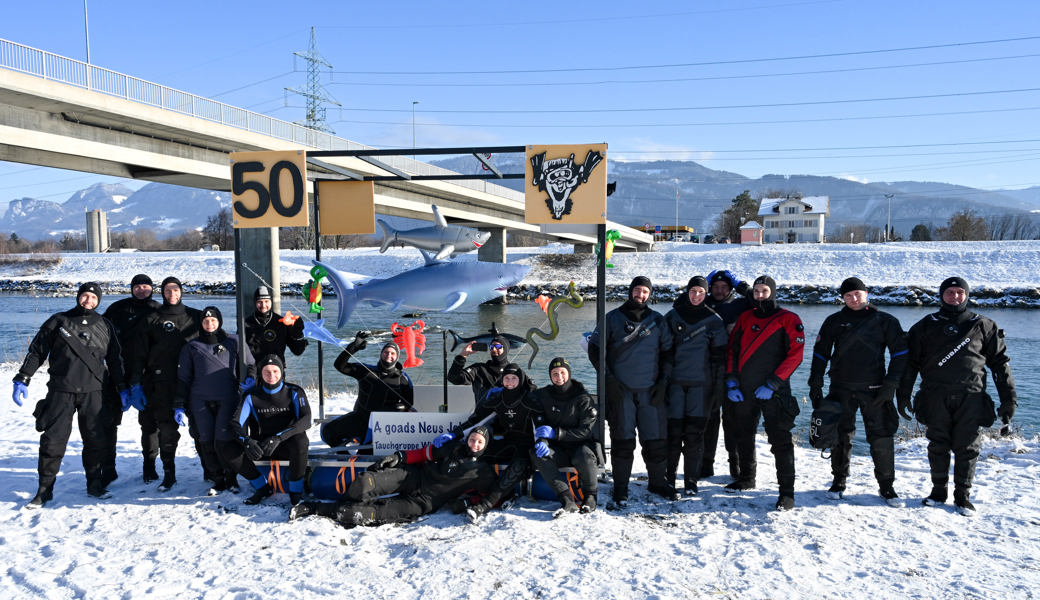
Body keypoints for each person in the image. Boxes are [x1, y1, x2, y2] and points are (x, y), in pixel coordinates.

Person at [897, 276, 1017, 515]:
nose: (955, 296)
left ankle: (962, 495)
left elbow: (1000, 365)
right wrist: (903, 394)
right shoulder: (925, 325)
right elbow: (910, 364)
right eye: (949, 292)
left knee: (968, 447)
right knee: (937, 445)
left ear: (967, 295)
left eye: (959, 292)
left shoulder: (983, 325)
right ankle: (938, 492)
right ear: (941, 295)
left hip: (971, 397)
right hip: (934, 395)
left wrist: (1008, 399)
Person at [11, 282, 128, 508]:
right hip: (60, 390)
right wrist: (23, 377)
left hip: (95, 391)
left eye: (93, 298)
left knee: (95, 441)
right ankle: (45, 489)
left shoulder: (105, 325)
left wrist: (122, 387)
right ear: (78, 297)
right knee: (52, 441)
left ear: (99, 301)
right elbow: (37, 351)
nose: (88, 301)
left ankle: (94, 484)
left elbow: (115, 360)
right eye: (85, 296)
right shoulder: (58, 321)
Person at [809, 277, 908, 506]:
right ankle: (839, 481)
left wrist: (891, 384)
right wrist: (815, 383)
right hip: (840, 388)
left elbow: (900, 354)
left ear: (866, 294)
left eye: (857, 294)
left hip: (875, 389)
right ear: (842, 298)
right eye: (848, 296)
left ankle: (887, 487)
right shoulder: (834, 321)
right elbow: (821, 352)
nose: (853, 299)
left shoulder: (885, 321)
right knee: (840, 436)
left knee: (881, 437)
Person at [289, 426, 497, 527]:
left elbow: (495, 495)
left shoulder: (483, 472)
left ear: (485, 446)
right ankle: (355, 497)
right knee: (362, 485)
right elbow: (424, 453)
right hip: (414, 476)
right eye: (472, 439)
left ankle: (314, 508)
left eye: (479, 442)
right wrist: (399, 457)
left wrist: (468, 502)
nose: (474, 445)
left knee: (364, 514)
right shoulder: (453, 447)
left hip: (424, 501)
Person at [588, 275, 675, 508]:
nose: (641, 295)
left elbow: (668, 353)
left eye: (645, 292)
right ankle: (621, 488)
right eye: (638, 290)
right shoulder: (612, 319)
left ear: (650, 294)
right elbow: (595, 350)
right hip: (621, 391)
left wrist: (663, 382)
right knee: (623, 442)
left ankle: (657, 482)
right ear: (630, 292)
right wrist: (608, 379)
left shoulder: (658, 320)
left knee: (655, 441)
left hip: (650, 392)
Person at [725, 275, 805, 511]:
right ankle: (747, 478)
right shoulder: (746, 317)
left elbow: (795, 355)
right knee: (743, 435)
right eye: (757, 291)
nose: (760, 295)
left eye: (764, 291)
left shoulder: (788, 319)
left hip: (775, 392)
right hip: (745, 389)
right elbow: (733, 350)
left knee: (781, 442)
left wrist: (772, 384)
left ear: (772, 292)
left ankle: (787, 493)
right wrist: (731, 381)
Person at [126, 276, 202, 491]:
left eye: (175, 290)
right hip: (157, 383)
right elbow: (138, 354)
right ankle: (159, 469)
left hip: (190, 381)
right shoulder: (151, 319)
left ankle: (211, 468)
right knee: (156, 428)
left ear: (181, 291)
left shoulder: (195, 317)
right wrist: (135, 383)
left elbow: (215, 339)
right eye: (167, 290)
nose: (172, 294)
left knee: (200, 427)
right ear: (162, 293)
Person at [439, 364, 542, 520]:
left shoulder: (530, 399)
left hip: (526, 446)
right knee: (472, 449)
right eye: (507, 378)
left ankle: (484, 505)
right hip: (508, 442)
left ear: (520, 380)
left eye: (514, 379)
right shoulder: (498, 398)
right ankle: (449, 488)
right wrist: (454, 434)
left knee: (518, 465)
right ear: (502, 380)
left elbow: (539, 425)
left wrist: (541, 441)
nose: (510, 382)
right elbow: (476, 420)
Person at [175, 306, 255, 495]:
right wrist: (178, 404)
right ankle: (217, 480)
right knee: (206, 440)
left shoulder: (234, 342)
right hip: (200, 400)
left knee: (225, 440)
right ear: (201, 323)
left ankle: (231, 477)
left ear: (219, 322)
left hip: (227, 398)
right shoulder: (192, 346)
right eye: (205, 321)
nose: (209, 324)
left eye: (213, 320)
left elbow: (251, 364)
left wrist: (250, 379)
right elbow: (183, 378)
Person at [663, 276, 728, 496]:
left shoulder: (714, 320)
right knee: (673, 435)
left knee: (694, 437)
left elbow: (719, 359)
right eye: (693, 291)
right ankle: (668, 478)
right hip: (676, 386)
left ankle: (691, 481)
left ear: (706, 294)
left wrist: (719, 390)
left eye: (701, 292)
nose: (696, 295)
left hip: (701, 388)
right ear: (687, 291)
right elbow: (663, 353)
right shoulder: (673, 316)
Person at [221, 354, 311, 506]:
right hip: (262, 448)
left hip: (288, 446)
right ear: (260, 373)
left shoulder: (294, 392)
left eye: (275, 371)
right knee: (228, 448)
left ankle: (295, 492)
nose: (271, 375)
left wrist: (279, 438)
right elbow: (236, 423)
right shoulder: (252, 395)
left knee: (301, 440)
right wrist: (247, 441)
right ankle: (262, 488)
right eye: (267, 372)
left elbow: (306, 420)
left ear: (282, 372)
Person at [99, 273, 160, 487]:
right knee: (109, 422)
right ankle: (108, 468)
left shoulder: (157, 310)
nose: (142, 290)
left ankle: (149, 466)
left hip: (147, 374)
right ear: (131, 288)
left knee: (149, 424)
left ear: (152, 288)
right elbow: (99, 330)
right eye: (137, 286)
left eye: (146, 286)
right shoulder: (118, 309)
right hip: (118, 372)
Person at [530, 357, 600, 515]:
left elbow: (586, 431)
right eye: (554, 373)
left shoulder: (583, 398)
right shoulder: (544, 395)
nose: (558, 376)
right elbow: (537, 415)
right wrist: (542, 440)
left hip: (580, 446)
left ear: (568, 373)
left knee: (584, 455)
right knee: (537, 453)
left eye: (562, 372)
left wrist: (556, 433)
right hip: (558, 449)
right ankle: (566, 499)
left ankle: (590, 496)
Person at [701, 269, 753, 479]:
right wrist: (702, 282)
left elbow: (760, 299)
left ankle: (736, 465)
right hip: (708, 371)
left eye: (724, 287)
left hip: (735, 371)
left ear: (731, 288)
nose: (719, 290)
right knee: (709, 420)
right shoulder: (703, 305)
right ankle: (706, 464)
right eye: (715, 287)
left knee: (733, 420)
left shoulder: (740, 305)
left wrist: (741, 284)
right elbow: (681, 303)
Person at [321, 333, 414, 449]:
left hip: (383, 425)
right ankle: (345, 459)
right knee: (328, 432)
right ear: (381, 354)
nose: (389, 355)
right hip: (360, 418)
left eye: (392, 353)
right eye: (386, 352)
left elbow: (409, 403)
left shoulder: (402, 378)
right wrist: (353, 347)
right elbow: (339, 365)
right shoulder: (366, 370)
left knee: (366, 452)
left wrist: (394, 409)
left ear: (397, 357)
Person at [447, 334, 534, 403]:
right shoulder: (478, 369)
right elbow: (453, 378)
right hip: (482, 418)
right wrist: (463, 355)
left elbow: (533, 392)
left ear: (506, 349)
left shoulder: (515, 372)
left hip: (507, 417)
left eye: (499, 347)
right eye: (492, 347)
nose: (495, 349)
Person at [244, 285, 307, 367]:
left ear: (271, 302)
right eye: (260, 302)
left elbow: (297, 351)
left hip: (276, 373)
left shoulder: (281, 322)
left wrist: (297, 333)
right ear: (255, 303)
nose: (263, 305)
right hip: (253, 372)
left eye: (266, 301)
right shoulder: (246, 323)